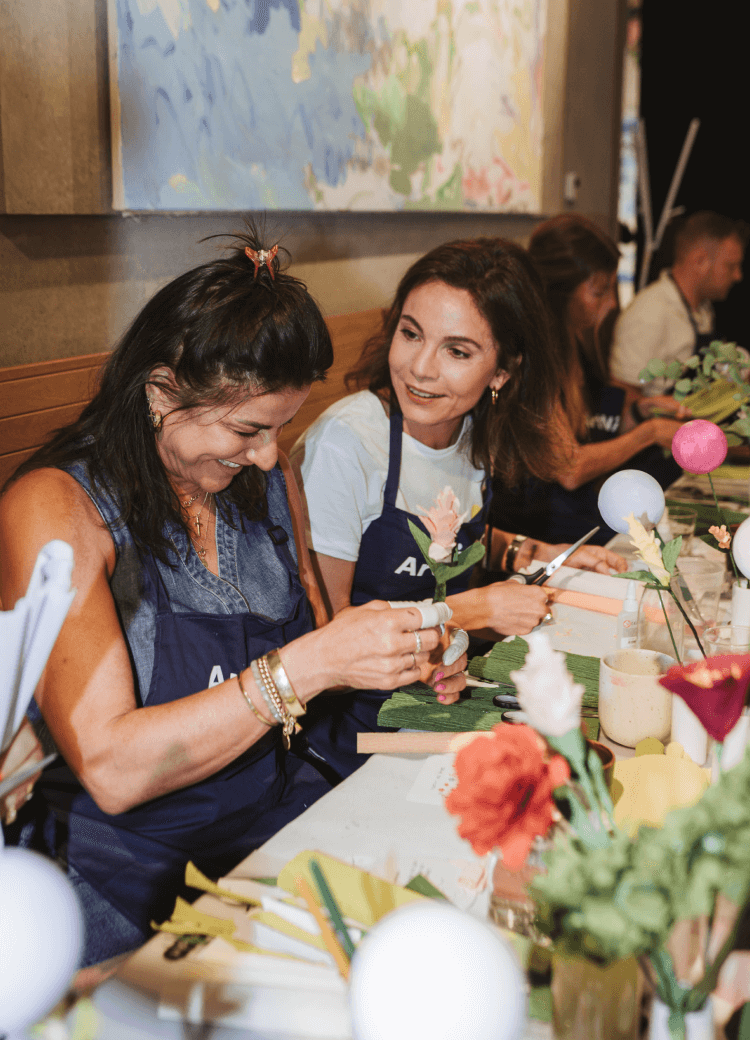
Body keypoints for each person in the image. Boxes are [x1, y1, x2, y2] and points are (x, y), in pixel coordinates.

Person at [0, 228, 455, 967]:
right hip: (129, 884)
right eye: (248, 428)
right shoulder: (60, 510)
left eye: (281, 429)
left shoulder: (265, 479)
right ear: (160, 392)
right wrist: (305, 668)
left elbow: (320, 661)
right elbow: (112, 769)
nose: (270, 456)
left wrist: (394, 663)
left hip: (277, 832)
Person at [291, 237, 626, 779]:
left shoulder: (471, 430)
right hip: (349, 731)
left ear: (502, 371)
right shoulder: (349, 445)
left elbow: (448, 535)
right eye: (411, 333)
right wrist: (480, 611)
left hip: (439, 701)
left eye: (458, 351)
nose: (421, 369)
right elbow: (329, 636)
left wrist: (531, 551)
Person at [493, 214, 688, 545]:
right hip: (541, 525)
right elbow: (570, 470)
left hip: (577, 507)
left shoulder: (575, 339)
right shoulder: (535, 357)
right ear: (559, 292)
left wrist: (642, 411)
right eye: (600, 292)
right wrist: (649, 433)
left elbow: (597, 426)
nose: (611, 304)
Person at [610, 211, 747, 390]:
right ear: (700, 261)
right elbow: (622, 393)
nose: (738, 276)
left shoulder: (702, 308)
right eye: (730, 266)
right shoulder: (650, 311)